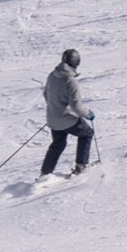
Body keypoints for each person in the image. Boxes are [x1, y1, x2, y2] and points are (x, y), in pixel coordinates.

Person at [39, 48, 94, 177]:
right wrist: (88, 114)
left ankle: (45, 173)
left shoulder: (52, 75)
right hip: (67, 120)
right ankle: (81, 166)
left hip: (53, 119)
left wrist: (55, 108)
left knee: (58, 144)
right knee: (87, 134)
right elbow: (76, 107)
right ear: (76, 63)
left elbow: (46, 94)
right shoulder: (71, 82)